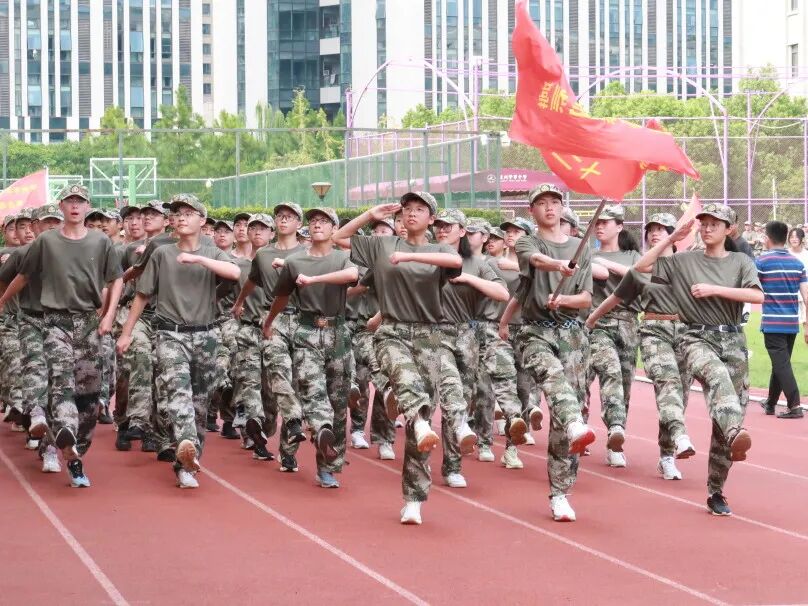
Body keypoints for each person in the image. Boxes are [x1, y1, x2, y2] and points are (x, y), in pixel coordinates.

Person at [333, 191, 465, 525]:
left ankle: (414, 499)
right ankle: (418, 421)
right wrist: (370, 214)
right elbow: (339, 237)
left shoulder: (440, 249)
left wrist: (407, 257)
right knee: (406, 383)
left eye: (420, 210)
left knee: (425, 421)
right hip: (392, 329)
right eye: (406, 209)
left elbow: (454, 264)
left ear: (431, 219)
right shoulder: (383, 245)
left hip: (430, 335)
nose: (411, 214)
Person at [635, 203, 762, 516]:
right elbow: (642, 267)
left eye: (714, 224)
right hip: (695, 337)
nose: (707, 228)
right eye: (703, 223)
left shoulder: (741, 261)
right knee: (717, 378)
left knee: (727, 417)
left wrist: (715, 289)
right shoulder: (684, 260)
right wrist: (670, 239)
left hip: (733, 339)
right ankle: (734, 431)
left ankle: (716, 490)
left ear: (729, 229)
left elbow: (757, 296)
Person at [0, 184, 123, 488]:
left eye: (80, 201)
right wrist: (3, 301)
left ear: (87, 206)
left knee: (90, 396)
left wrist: (108, 315)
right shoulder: (46, 241)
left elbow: (116, 279)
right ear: (62, 206)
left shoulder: (100, 241)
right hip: (55, 320)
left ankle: (75, 450)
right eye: (69, 201)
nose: (75, 206)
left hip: (89, 322)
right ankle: (64, 432)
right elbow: (24, 276)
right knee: (61, 381)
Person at [117, 193, 240, 489]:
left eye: (188, 212)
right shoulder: (162, 253)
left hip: (206, 335)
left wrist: (199, 259)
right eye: (177, 213)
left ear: (202, 219)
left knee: (199, 404)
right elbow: (142, 295)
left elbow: (235, 272)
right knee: (178, 393)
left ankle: (188, 459)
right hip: (170, 334)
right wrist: (126, 332)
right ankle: (185, 449)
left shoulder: (212, 251)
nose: (181, 217)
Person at [500, 183, 597, 522]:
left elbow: (586, 298)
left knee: (567, 412)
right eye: (541, 203)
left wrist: (565, 299)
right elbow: (536, 261)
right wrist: (559, 266)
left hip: (572, 334)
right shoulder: (527, 242)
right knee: (553, 380)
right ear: (532, 211)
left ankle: (560, 492)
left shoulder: (581, 247)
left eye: (555, 202)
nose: (549, 208)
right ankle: (574, 423)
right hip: (535, 331)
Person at [586, 213, 696, 481]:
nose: (655, 233)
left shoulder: (688, 264)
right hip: (652, 330)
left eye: (662, 229)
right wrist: (590, 320)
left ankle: (667, 454)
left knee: (678, 394)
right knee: (664, 385)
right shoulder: (642, 266)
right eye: (651, 229)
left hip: (683, 332)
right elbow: (617, 294)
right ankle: (611, 429)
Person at [264, 207, 358, 488]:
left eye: (324, 221)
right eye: (314, 220)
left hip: (338, 332)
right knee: (313, 390)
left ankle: (327, 464)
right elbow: (282, 297)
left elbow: (352, 275)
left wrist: (315, 279)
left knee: (338, 402)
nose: (318, 225)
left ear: (334, 229)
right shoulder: (294, 261)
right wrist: (269, 322)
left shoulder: (343, 258)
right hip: (306, 331)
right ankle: (321, 429)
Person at [236, 202, 308, 472]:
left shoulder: (307, 252)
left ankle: (288, 451)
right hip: (272, 319)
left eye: (289, 216)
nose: (283, 220)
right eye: (280, 216)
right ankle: (285, 421)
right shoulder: (264, 255)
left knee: (295, 384)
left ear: (299, 223)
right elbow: (252, 280)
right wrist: (239, 302)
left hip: (302, 320)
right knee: (278, 373)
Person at [588, 205, 641, 468]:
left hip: (629, 323)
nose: (599, 226)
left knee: (625, 385)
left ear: (619, 226)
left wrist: (604, 263)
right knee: (610, 373)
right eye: (597, 222)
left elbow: (637, 277)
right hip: (597, 323)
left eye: (606, 222)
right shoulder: (587, 254)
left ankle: (615, 440)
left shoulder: (633, 256)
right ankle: (612, 426)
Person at [230, 213, 277, 461]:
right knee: (249, 382)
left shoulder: (280, 263)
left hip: (274, 332)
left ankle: (263, 429)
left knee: (270, 391)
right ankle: (252, 429)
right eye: (253, 228)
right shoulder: (235, 265)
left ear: (272, 233)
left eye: (263, 228)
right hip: (247, 329)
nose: (257, 232)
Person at [756, 221, 808, 419]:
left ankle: (795, 405)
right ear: (786, 237)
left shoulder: (761, 262)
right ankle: (770, 403)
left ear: (767, 238)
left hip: (772, 322)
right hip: (791, 323)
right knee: (780, 363)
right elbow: (806, 296)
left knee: (781, 364)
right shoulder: (798, 264)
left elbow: (751, 289)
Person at [787, 228, 808, 324]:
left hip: (805, 293)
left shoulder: (806, 255)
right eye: (791, 237)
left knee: (806, 322)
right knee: (790, 323)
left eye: (796, 237)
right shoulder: (785, 254)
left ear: (802, 239)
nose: (794, 239)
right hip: (790, 294)